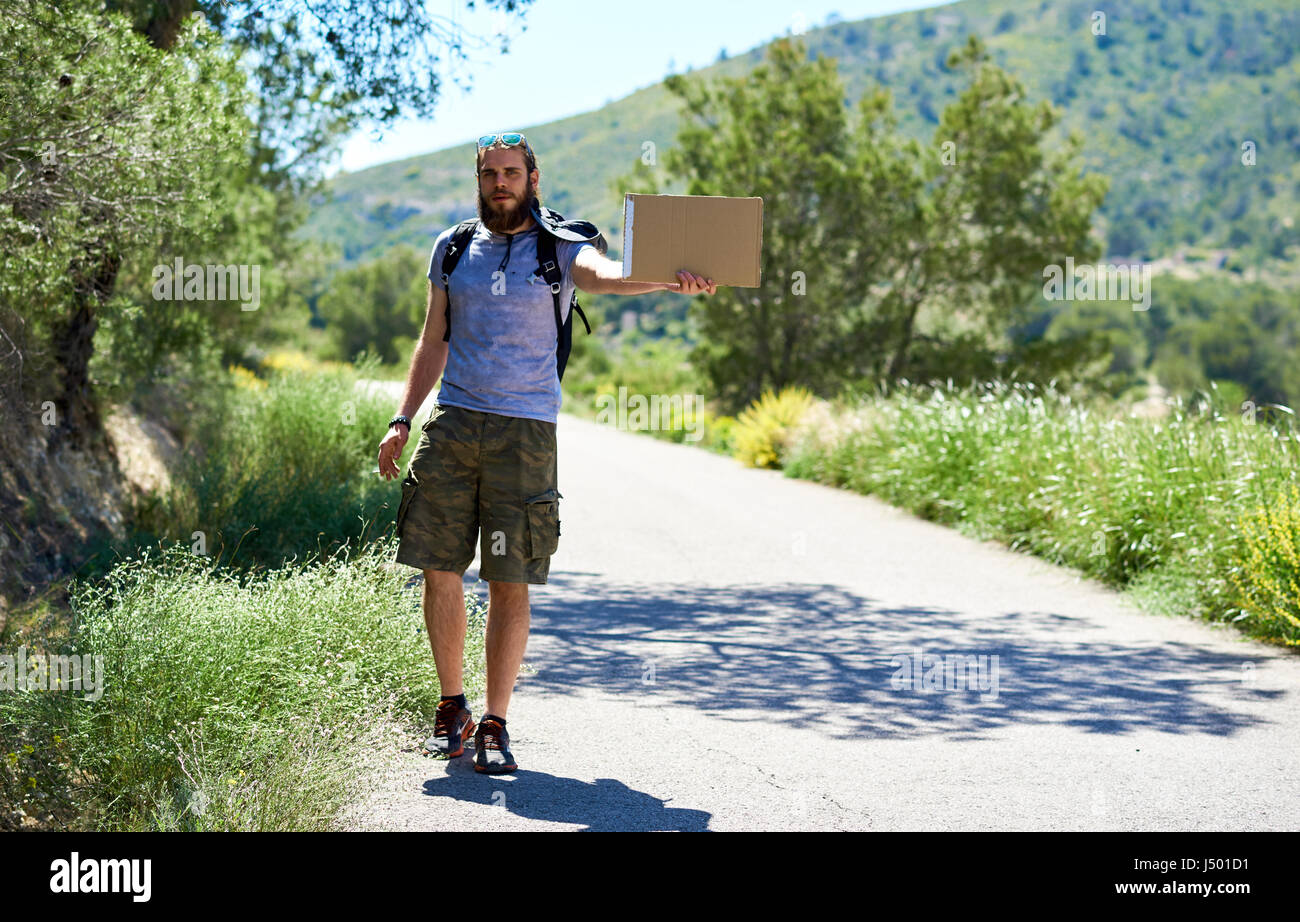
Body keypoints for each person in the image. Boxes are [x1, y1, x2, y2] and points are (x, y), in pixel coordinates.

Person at [376, 131, 716, 774]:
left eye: (511, 172)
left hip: (526, 432)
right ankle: (453, 709)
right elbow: (433, 338)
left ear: (534, 178)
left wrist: (668, 280)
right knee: (437, 567)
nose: (499, 183)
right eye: (489, 174)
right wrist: (403, 419)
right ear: (477, 180)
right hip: (453, 424)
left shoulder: (561, 247)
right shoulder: (451, 249)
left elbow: (608, 277)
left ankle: (495, 723)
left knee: (510, 579)